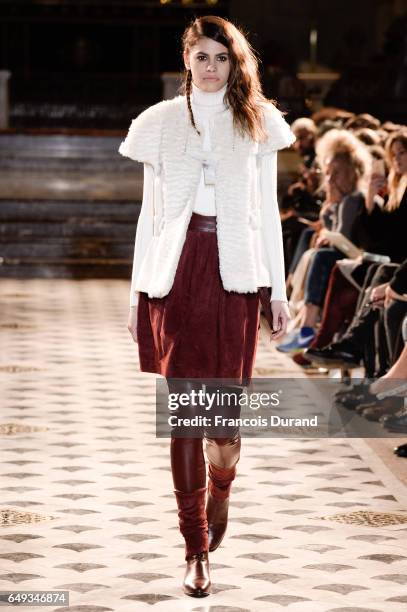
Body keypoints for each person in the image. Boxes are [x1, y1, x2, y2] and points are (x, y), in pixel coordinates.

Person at [118, 16, 295, 598]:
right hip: (177, 272)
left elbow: (266, 212)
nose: (212, 67)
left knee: (223, 422)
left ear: (235, 62)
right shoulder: (160, 124)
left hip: (236, 274)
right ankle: (194, 549)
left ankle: (222, 485)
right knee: (185, 417)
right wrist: (137, 290)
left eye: (222, 57)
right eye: (202, 57)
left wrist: (280, 292)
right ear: (186, 62)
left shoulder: (258, 123)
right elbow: (150, 214)